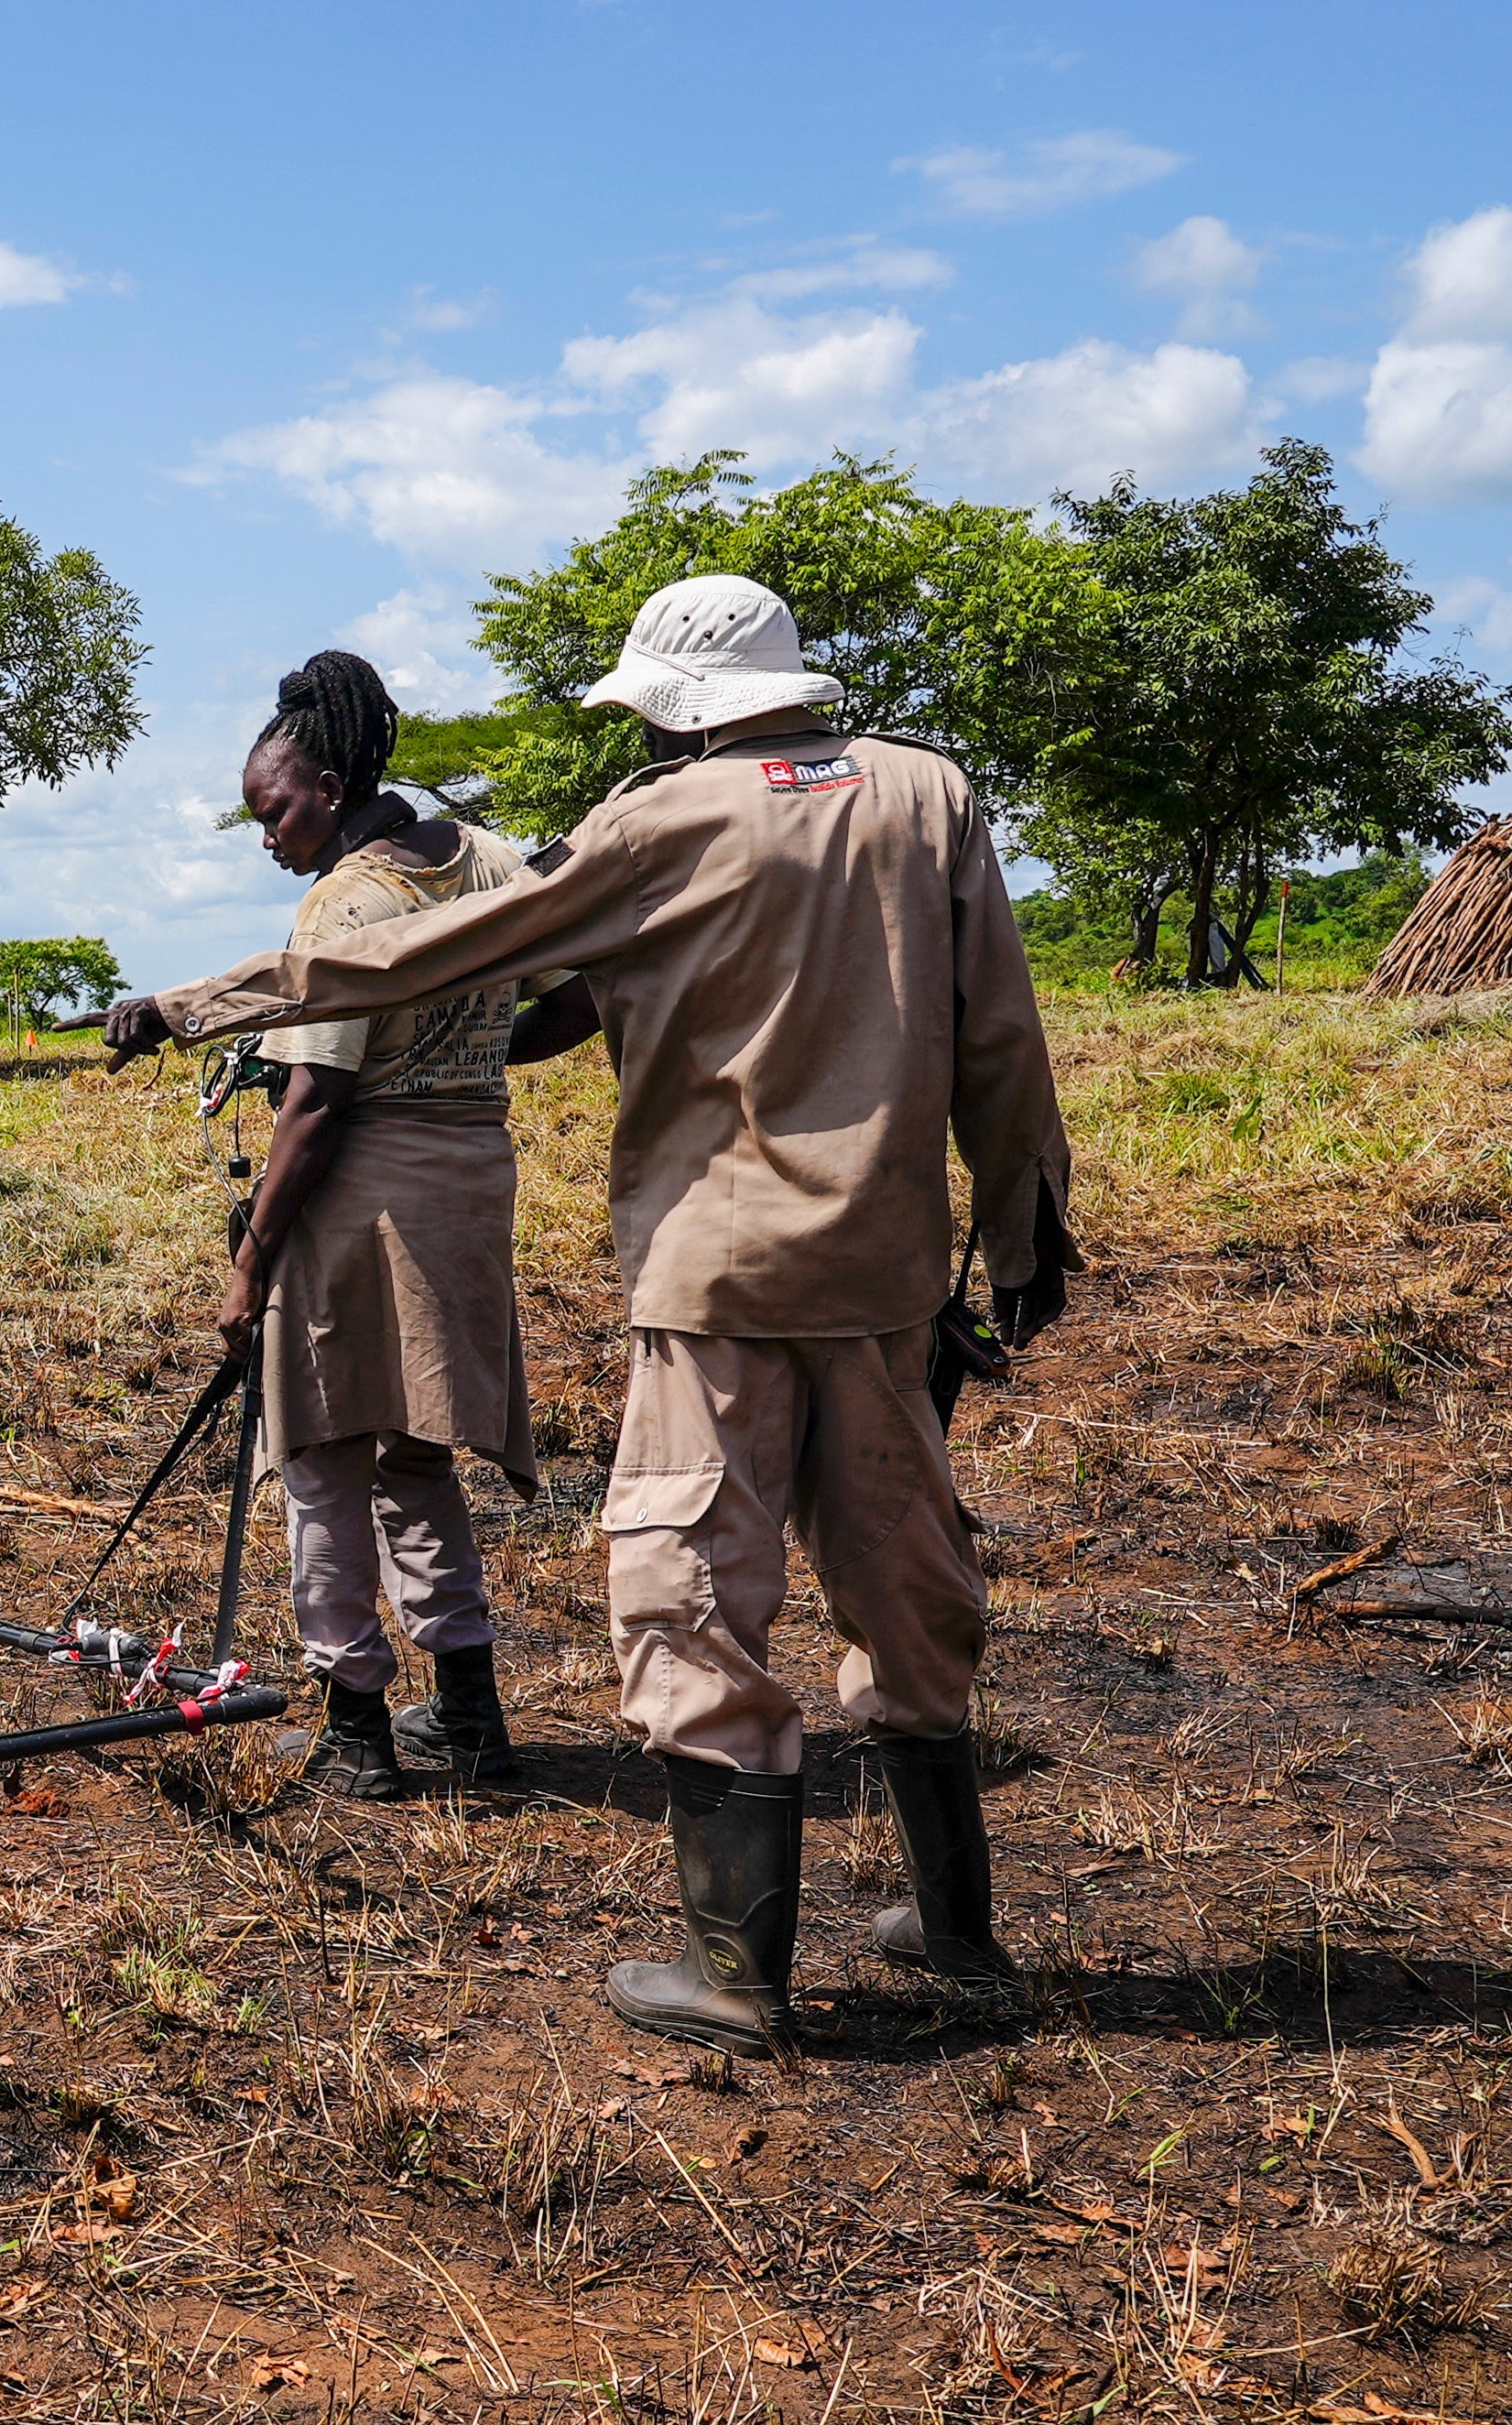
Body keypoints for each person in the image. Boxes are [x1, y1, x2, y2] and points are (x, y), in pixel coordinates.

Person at [103, 575, 1076, 2060]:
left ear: (671, 703)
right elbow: (1001, 1031)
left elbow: (415, 959)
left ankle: (739, 1974)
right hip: (887, 1280)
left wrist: (197, 1001)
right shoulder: (925, 794)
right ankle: (958, 1937)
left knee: (688, 1594)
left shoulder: (658, 819)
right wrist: (1021, 1236)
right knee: (904, 1579)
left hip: (716, 1284)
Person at [206, 655, 560, 1800]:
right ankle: (470, 1720)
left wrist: (247, 1267)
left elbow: (313, 1106)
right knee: (415, 1455)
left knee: (316, 1456)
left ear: (331, 775)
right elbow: (588, 989)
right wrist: (460, 1056)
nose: (267, 836)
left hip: (363, 1204)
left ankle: (354, 1726)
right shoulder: (490, 860)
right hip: (471, 1180)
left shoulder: (345, 901)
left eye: (276, 810)